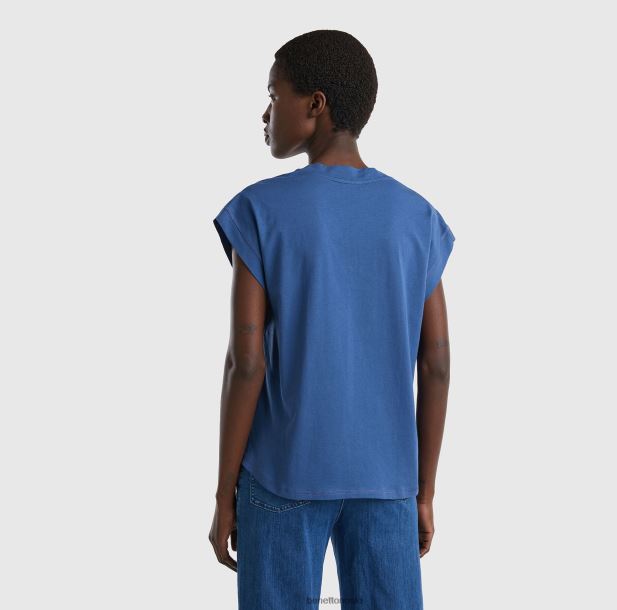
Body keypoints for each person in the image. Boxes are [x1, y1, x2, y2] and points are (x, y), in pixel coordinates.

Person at [208, 29, 454, 610]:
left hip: (282, 474)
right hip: (387, 481)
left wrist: (223, 495)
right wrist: (423, 492)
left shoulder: (260, 210)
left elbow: (247, 363)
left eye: (275, 95)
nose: (265, 112)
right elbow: (437, 364)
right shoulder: (416, 216)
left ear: (315, 104)